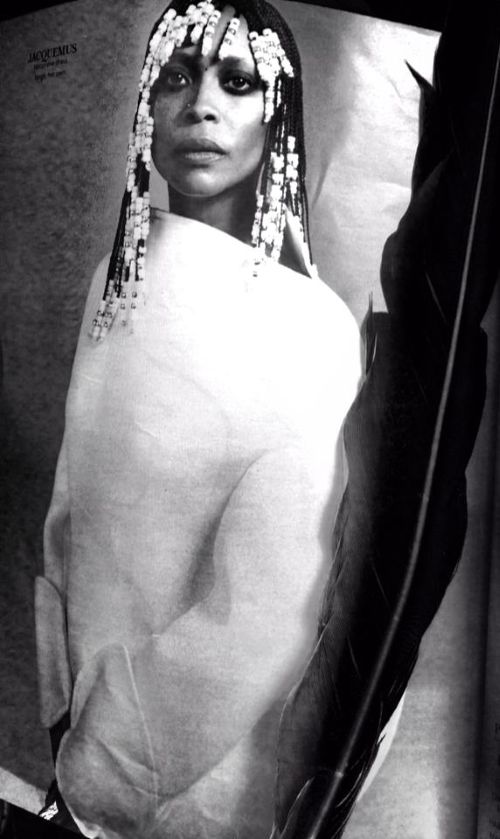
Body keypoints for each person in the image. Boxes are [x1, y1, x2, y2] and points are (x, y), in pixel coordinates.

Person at [35, 0, 362, 836]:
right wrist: (61, 725)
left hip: (204, 782)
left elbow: (272, 600)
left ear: (277, 113)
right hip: (72, 759)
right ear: (148, 103)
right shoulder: (113, 284)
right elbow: (67, 521)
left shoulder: (313, 328)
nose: (201, 106)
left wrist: (104, 769)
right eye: (176, 77)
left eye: (238, 82)